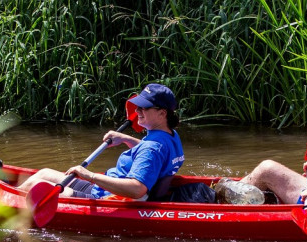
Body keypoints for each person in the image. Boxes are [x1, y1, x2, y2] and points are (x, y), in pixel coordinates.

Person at [18, 83, 184, 200]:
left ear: (162, 114)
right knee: (44, 173)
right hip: (106, 189)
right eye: (138, 106)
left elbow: (137, 189)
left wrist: (90, 176)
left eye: (144, 108)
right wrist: (126, 138)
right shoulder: (170, 136)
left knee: (36, 184)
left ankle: (6, 207)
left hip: (112, 197)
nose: (138, 110)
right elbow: (154, 154)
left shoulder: (152, 148)